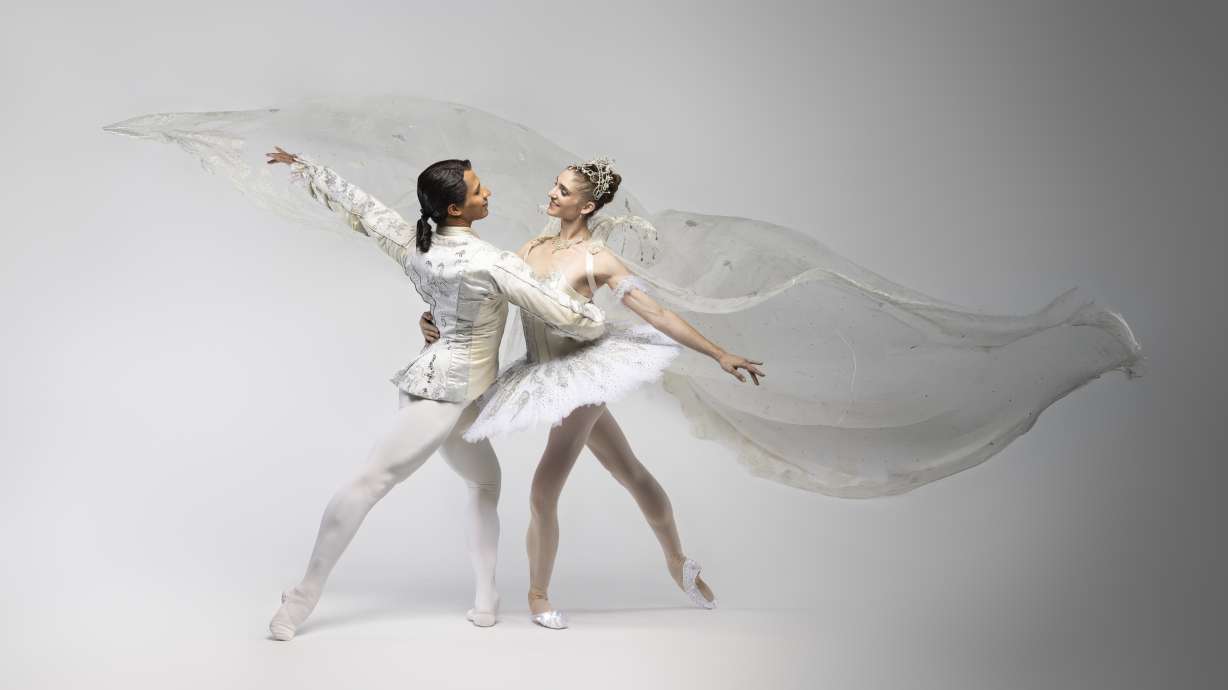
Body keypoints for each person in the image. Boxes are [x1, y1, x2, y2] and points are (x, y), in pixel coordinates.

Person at [262, 148, 606, 640]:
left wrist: (311, 171)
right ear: (455, 210)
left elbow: (365, 210)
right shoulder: (492, 262)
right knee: (371, 481)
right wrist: (600, 319)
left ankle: (486, 601)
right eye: (478, 190)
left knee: (486, 484)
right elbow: (562, 310)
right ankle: (301, 599)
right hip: (441, 395)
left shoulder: (415, 244)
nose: (488, 193)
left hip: (458, 395)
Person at [420, 158, 765, 629]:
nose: (552, 194)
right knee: (631, 472)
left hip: (582, 377)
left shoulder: (596, 260)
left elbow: (657, 313)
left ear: (587, 205)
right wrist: (437, 323)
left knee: (543, 488)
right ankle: (678, 560)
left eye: (562, 190)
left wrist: (718, 353)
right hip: (542, 372)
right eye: (554, 186)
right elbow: (487, 302)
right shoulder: (529, 249)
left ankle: (538, 595)